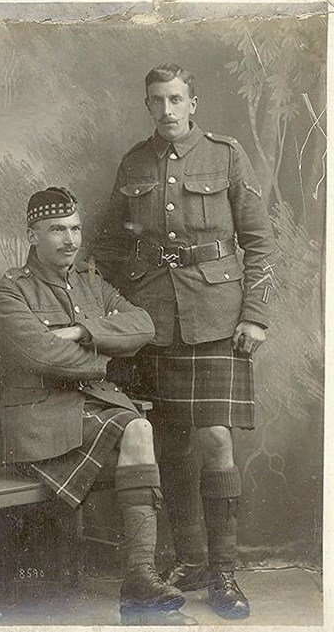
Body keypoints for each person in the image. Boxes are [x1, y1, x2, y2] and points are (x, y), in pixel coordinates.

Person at [102, 63, 276, 620]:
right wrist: (120, 310)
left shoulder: (226, 156)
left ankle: (225, 571)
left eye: (177, 99)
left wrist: (255, 316)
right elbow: (108, 244)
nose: (168, 110)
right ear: (148, 105)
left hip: (217, 318)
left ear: (193, 102)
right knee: (170, 446)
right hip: (154, 323)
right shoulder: (134, 162)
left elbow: (260, 242)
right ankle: (192, 560)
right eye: (157, 101)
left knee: (216, 441)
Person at [0, 186, 198, 626]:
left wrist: (82, 332)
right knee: (136, 431)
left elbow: (143, 325)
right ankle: (138, 578)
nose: (70, 239)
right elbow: (42, 356)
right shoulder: (9, 292)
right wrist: (105, 351)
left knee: (140, 428)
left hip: (89, 410)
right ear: (33, 235)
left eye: (75, 228)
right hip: (40, 421)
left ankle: (140, 577)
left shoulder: (90, 283)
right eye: (57, 230)